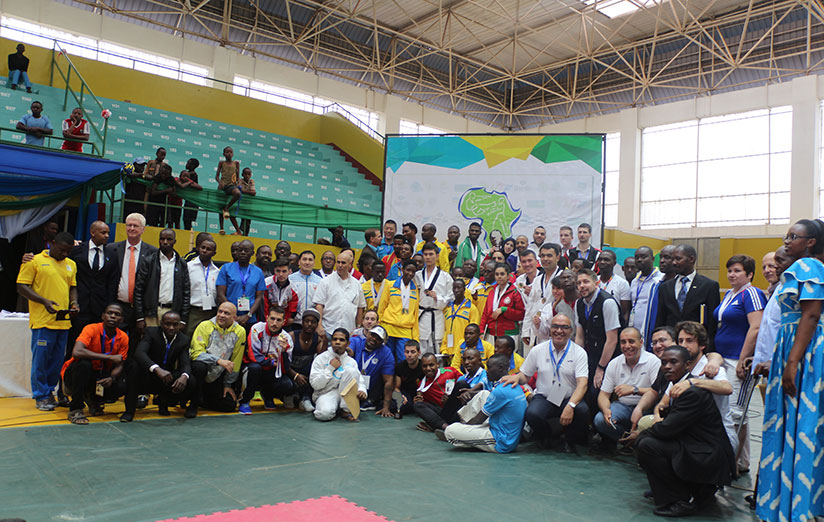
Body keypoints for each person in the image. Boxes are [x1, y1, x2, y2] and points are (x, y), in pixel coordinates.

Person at [757, 219, 824, 522]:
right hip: (795, 347)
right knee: (795, 424)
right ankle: (794, 503)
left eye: (793, 237)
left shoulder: (809, 266)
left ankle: (793, 507)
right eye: (786, 236)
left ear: (811, 242)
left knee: (799, 425)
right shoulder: (806, 267)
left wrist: (793, 362)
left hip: (803, 351)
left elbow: (810, 316)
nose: (786, 241)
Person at [632, 345, 735, 518]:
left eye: (673, 362)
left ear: (687, 365)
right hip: (695, 444)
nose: (667, 366)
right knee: (648, 442)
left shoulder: (692, 392)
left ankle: (681, 499)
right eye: (664, 363)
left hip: (707, 454)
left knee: (647, 445)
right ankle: (668, 489)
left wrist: (639, 435)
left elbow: (667, 429)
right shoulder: (678, 384)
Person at [500, 314, 589, 452]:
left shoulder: (579, 352)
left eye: (564, 327)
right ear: (550, 329)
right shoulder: (538, 350)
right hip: (545, 397)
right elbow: (525, 375)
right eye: (555, 326)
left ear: (571, 331)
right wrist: (517, 378)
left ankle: (570, 440)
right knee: (532, 414)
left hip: (568, 398)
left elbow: (582, 384)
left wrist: (571, 406)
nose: (559, 331)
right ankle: (549, 437)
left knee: (582, 410)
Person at [713, 254, 766, 473]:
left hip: (738, 360)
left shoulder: (751, 293)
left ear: (749, 274)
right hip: (723, 358)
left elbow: (756, 327)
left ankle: (728, 465)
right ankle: (740, 462)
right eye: (729, 271)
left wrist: (743, 359)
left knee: (736, 413)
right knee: (732, 412)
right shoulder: (730, 294)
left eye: (737, 271)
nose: (732, 275)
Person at [17, 231, 79, 411]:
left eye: (68, 251)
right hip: (42, 321)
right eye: (62, 250)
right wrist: (43, 301)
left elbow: (72, 288)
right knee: (41, 361)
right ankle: (41, 396)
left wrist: (74, 303)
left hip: (63, 322)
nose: (65, 254)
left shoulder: (71, 264)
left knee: (56, 362)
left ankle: (50, 392)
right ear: (52, 243)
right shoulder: (34, 261)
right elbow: (21, 286)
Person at [441, 353, 528, 453]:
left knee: (450, 431)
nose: (486, 371)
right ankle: (464, 431)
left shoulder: (500, 391)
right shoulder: (513, 385)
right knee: (483, 394)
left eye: (489, 367)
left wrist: (463, 429)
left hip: (501, 441)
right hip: (508, 432)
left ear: (500, 368)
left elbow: (478, 420)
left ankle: (461, 435)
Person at [593, 327, 661, 451]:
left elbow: (657, 392)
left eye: (631, 341)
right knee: (600, 420)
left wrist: (634, 390)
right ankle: (630, 442)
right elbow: (603, 395)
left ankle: (638, 441)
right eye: (623, 342)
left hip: (646, 408)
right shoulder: (614, 363)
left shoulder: (653, 362)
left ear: (641, 342)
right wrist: (606, 410)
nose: (627, 346)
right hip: (623, 406)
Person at [60, 304, 129, 424]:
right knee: (84, 365)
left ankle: (94, 400)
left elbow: (120, 364)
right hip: (76, 373)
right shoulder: (91, 329)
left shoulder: (123, 337)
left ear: (122, 320)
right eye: (109, 313)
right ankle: (75, 409)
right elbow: (77, 352)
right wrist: (109, 357)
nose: (113, 316)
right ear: (103, 316)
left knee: (121, 384)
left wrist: (112, 378)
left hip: (99, 374)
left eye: (117, 314)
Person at [122, 311, 195, 421]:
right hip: (148, 373)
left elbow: (185, 362)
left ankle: (164, 402)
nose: (171, 328)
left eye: (175, 324)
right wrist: (156, 368)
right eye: (167, 324)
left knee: (190, 380)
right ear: (161, 323)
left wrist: (184, 376)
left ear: (180, 325)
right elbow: (140, 353)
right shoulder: (151, 332)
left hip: (167, 377)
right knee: (134, 368)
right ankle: (129, 411)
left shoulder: (184, 339)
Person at [106, 213, 158, 350]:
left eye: (135, 226)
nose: (132, 228)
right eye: (129, 225)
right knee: (114, 343)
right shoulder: (112, 248)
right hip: (118, 305)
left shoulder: (153, 252)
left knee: (136, 345)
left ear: (143, 229)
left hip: (141, 308)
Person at [655, 244, 721, 349]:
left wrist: (708, 348)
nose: (674, 263)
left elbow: (712, 323)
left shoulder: (709, 286)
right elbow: (660, 319)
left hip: (696, 345)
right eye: (672, 259)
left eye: (678, 259)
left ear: (691, 259)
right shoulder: (665, 287)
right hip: (671, 345)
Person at [189, 302, 247, 414]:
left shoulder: (240, 332)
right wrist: (218, 361)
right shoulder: (204, 326)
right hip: (200, 371)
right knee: (199, 366)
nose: (221, 315)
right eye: (220, 311)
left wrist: (228, 385)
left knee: (229, 406)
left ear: (234, 318)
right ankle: (194, 403)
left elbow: (236, 360)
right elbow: (195, 354)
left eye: (226, 313)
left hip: (218, 374)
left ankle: (202, 400)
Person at [575, 268, 621, 406]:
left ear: (596, 283)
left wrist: (601, 368)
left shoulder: (607, 302)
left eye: (586, 282)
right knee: (581, 389)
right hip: (590, 354)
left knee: (595, 392)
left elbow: (612, 340)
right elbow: (580, 337)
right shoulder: (579, 303)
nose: (582, 286)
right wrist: (576, 362)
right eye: (579, 283)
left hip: (609, 356)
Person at [239, 306, 296, 414]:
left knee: (287, 384)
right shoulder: (257, 329)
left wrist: (284, 352)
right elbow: (253, 356)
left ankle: (268, 395)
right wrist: (272, 362)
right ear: (267, 318)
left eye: (278, 320)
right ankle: (245, 401)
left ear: (283, 322)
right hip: (254, 367)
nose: (274, 323)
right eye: (272, 319)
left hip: (271, 371)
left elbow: (285, 368)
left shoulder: (286, 338)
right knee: (255, 368)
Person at [134, 228, 191, 333]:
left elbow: (186, 292)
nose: (165, 242)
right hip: (152, 312)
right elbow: (138, 289)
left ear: (174, 241)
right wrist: (139, 317)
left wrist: (183, 318)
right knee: (150, 340)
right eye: (162, 239)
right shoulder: (149, 261)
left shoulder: (182, 264)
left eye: (169, 239)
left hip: (173, 311)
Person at [751, 246, 796, 376]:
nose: (774, 267)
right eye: (764, 267)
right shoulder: (778, 289)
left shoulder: (794, 291)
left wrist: (773, 360)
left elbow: (794, 332)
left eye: (778, 262)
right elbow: (769, 329)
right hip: (767, 365)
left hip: (781, 365)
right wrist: (758, 357)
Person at [309, 328, 366, 421]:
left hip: (345, 395)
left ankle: (346, 410)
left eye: (341, 340)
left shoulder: (351, 361)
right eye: (335, 339)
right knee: (324, 415)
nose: (337, 342)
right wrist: (330, 368)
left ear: (348, 343)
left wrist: (362, 390)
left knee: (351, 371)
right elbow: (315, 384)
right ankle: (333, 408)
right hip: (326, 393)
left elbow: (360, 380)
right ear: (331, 341)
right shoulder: (321, 358)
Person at [313, 250, 366, 337]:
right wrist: (319, 325)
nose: (340, 265)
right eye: (338, 262)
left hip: (349, 331)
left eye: (343, 263)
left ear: (350, 265)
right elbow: (319, 305)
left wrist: (358, 327)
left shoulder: (357, 284)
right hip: (328, 329)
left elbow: (360, 307)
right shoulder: (325, 282)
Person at [215, 239, 266, 329]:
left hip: (249, 318)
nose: (243, 252)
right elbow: (220, 293)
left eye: (246, 250)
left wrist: (248, 315)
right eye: (240, 250)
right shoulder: (226, 268)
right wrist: (231, 313)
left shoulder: (258, 272)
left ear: (252, 253)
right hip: (228, 317)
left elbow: (259, 297)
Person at [377, 259, 420, 361]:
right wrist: (380, 326)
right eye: (408, 270)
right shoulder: (390, 285)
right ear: (402, 269)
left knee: (404, 360)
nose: (410, 273)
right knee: (387, 359)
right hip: (389, 327)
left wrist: (415, 337)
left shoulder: (415, 289)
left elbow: (415, 313)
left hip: (405, 330)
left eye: (413, 271)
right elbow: (382, 307)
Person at [350, 325, 395, 416]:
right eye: (372, 335)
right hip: (352, 384)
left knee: (394, 406)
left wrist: (386, 408)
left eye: (378, 338)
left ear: (382, 342)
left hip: (372, 388)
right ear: (367, 333)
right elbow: (348, 351)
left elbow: (388, 382)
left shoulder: (386, 353)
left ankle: (371, 400)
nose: (374, 339)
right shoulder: (356, 341)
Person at [417, 242, 453, 353]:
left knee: (437, 347)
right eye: (425, 254)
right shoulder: (417, 275)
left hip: (437, 316)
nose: (428, 257)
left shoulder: (446, 277)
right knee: (421, 346)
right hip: (421, 315)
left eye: (431, 254)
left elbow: (451, 297)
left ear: (437, 256)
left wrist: (438, 297)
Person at [412, 353, 463, 432]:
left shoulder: (450, 371)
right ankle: (447, 428)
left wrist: (452, 399)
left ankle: (434, 426)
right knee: (417, 405)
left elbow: (465, 385)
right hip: (443, 413)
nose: (428, 368)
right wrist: (418, 401)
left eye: (431, 365)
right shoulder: (422, 385)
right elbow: (427, 407)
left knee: (462, 383)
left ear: (437, 364)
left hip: (458, 410)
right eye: (424, 366)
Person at [287, 308, 326, 412]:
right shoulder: (292, 336)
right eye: (307, 321)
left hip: (305, 373)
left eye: (313, 322)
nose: (309, 324)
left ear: (317, 324)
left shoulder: (317, 339)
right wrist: (295, 375)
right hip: (289, 371)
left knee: (315, 369)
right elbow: (283, 361)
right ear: (302, 322)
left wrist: (325, 340)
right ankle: (289, 395)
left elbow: (321, 357)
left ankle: (305, 398)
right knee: (285, 385)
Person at [643, 244, 677, 350]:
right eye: (661, 257)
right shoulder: (656, 284)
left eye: (667, 257)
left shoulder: (679, 286)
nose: (662, 261)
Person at [479, 262, 525, 341]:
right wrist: (481, 331)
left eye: (502, 274)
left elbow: (521, 315)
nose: (499, 276)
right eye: (497, 274)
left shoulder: (514, 292)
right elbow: (485, 313)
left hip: (509, 334)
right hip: (491, 333)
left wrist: (504, 310)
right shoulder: (491, 291)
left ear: (508, 276)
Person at [629, 246, 663, 344]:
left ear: (652, 259)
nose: (639, 260)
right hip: (635, 329)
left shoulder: (660, 280)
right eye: (637, 257)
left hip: (651, 329)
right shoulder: (635, 281)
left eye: (643, 257)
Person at [441, 278, 480, 362]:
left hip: (464, 351)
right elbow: (446, 331)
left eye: (459, 287)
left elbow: (474, 333)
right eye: (454, 288)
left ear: (464, 289)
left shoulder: (471, 308)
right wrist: (444, 349)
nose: (456, 290)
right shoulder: (447, 308)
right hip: (449, 352)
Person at [186, 238, 218, 336]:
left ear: (214, 253)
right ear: (198, 248)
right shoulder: (188, 267)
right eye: (202, 248)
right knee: (189, 337)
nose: (204, 251)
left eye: (208, 249)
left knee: (208, 338)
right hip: (193, 311)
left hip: (210, 313)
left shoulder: (217, 271)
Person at [285, 250, 322, 330]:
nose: (307, 262)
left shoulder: (320, 281)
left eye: (310, 260)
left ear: (314, 263)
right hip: (293, 321)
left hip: (312, 322)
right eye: (304, 259)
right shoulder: (290, 279)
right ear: (299, 262)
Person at [262, 258, 299, 328]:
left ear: (289, 272)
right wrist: (267, 320)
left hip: (284, 321)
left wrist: (283, 322)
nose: (281, 274)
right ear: (274, 271)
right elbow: (264, 305)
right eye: (278, 271)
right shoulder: (267, 283)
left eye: (284, 271)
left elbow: (292, 307)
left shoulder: (293, 288)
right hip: (267, 319)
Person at [597, 250, 631, 323]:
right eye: (600, 259)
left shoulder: (622, 283)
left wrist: (623, 328)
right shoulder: (593, 281)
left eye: (606, 260)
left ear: (614, 263)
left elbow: (625, 312)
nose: (602, 262)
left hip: (613, 323)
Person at [516, 249, 541, 348]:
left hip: (541, 323)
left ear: (536, 261)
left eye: (530, 260)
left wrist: (533, 294)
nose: (527, 264)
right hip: (525, 323)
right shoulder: (519, 280)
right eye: (523, 261)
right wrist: (525, 331)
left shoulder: (543, 278)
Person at [215, 146, 242, 235]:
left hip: (231, 186)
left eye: (230, 152)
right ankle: (221, 228)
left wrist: (238, 184)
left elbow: (238, 177)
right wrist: (220, 182)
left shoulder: (236, 163)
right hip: (223, 186)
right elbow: (217, 176)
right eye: (227, 152)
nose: (229, 154)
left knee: (237, 193)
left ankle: (227, 207)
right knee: (220, 206)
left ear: (233, 154)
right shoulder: (221, 163)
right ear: (224, 154)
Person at [394, 339, 424, 418]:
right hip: (405, 393)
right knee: (404, 406)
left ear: (419, 353)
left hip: (420, 392)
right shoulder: (400, 367)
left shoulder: (424, 367)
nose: (409, 355)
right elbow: (396, 387)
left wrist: (420, 396)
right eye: (407, 352)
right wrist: (400, 396)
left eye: (413, 352)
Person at [181, 158, 202, 230]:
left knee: (187, 221)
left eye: (188, 163)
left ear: (193, 166)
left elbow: (190, 184)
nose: (186, 164)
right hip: (190, 200)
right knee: (186, 221)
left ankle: (189, 235)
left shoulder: (192, 174)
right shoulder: (190, 174)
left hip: (192, 201)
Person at [238, 167, 256, 236]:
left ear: (251, 175)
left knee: (248, 221)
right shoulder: (240, 180)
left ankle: (245, 235)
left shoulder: (252, 181)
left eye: (249, 174)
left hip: (249, 204)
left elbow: (253, 192)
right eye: (245, 174)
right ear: (242, 174)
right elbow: (239, 189)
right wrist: (249, 192)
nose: (247, 176)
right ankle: (240, 232)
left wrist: (245, 192)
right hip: (241, 203)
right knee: (243, 219)